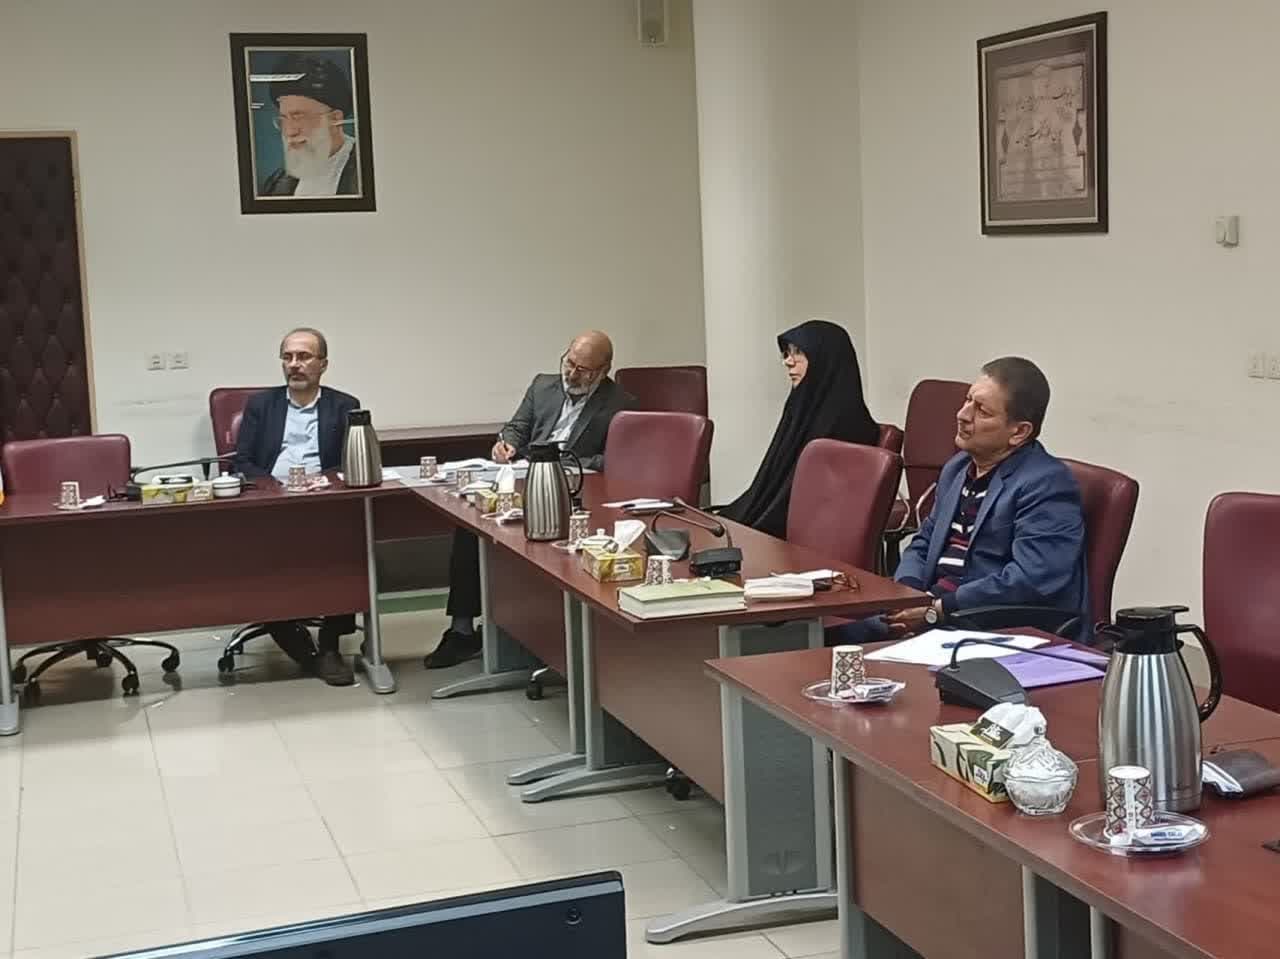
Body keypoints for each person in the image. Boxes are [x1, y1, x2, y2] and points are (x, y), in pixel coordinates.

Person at [827, 356, 1088, 645]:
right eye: (967, 400)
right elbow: (924, 542)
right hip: (933, 609)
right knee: (817, 639)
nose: (963, 415)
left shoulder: (1046, 483)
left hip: (987, 626)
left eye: (982, 411)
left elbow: (1031, 579)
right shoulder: (958, 468)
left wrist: (936, 610)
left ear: (1019, 432)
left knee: (831, 647)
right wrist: (908, 595)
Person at [426, 330, 634, 668]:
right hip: (523, 480)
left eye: (583, 369)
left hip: (571, 493)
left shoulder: (621, 404)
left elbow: (613, 459)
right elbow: (516, 427)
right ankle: (461, 630)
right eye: (569, 363)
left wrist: (565, 464)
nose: (572, 374)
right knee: (470, 527)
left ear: (604, 370)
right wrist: (505, 444)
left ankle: (535, 633)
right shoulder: (542, 386)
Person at [234, 327, 362, 685]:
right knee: (264, 567)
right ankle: (307, 654)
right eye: (287, 357)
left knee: (348, 549)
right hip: (271, 506)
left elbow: (350, 461)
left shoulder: (344, 405)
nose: (294, 364)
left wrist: (322, 484)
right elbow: (242, 462)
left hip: (324, 504)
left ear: (323, 364)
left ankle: (331, 643)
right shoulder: (261, 405)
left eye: (304, 356)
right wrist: (275, 489)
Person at [720, 319, 879, 538]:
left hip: (803, 541)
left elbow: (808, 505)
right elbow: (771, 484)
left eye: (799, 353)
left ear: (825, 359)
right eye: (787, 353)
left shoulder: (848, 424)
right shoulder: (801, 407)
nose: (788, 361)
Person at [260, 53, 360, 198]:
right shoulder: (275, 184)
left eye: (299, 117)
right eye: (284, 119)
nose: (289, 131)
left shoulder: (365, 169)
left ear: (335, 118)